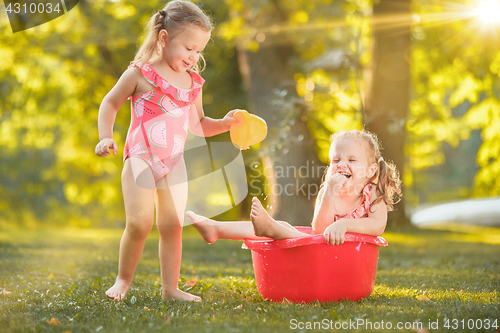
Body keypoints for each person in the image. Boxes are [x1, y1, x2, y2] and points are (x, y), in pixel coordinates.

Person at [95, 0, 239, 302]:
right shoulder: (140, 74)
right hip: (140, 157)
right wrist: (105, 137)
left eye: (199, 50)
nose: (194, 56)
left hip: (174, 160)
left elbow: (198, 124)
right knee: (139, 222)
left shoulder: (192, 84)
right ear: (164, 39)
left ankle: (170, 289)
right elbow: (110, 103)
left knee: (172, 225)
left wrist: (225, 125)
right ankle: (123, 280)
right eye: (189, 48)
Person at [186, 129, 402, 246]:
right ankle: (217, 229)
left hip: (348, 258)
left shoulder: (373, 194)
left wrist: (344, 225)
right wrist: (328, 195)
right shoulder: (328, 192)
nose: (342, 164)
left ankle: (267, 229)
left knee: (285, 231)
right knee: (287, 229)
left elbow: (377, 226)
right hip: (322, 253)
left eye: (352, 160)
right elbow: (319, 230)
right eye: (336, 160)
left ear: (371, 170)